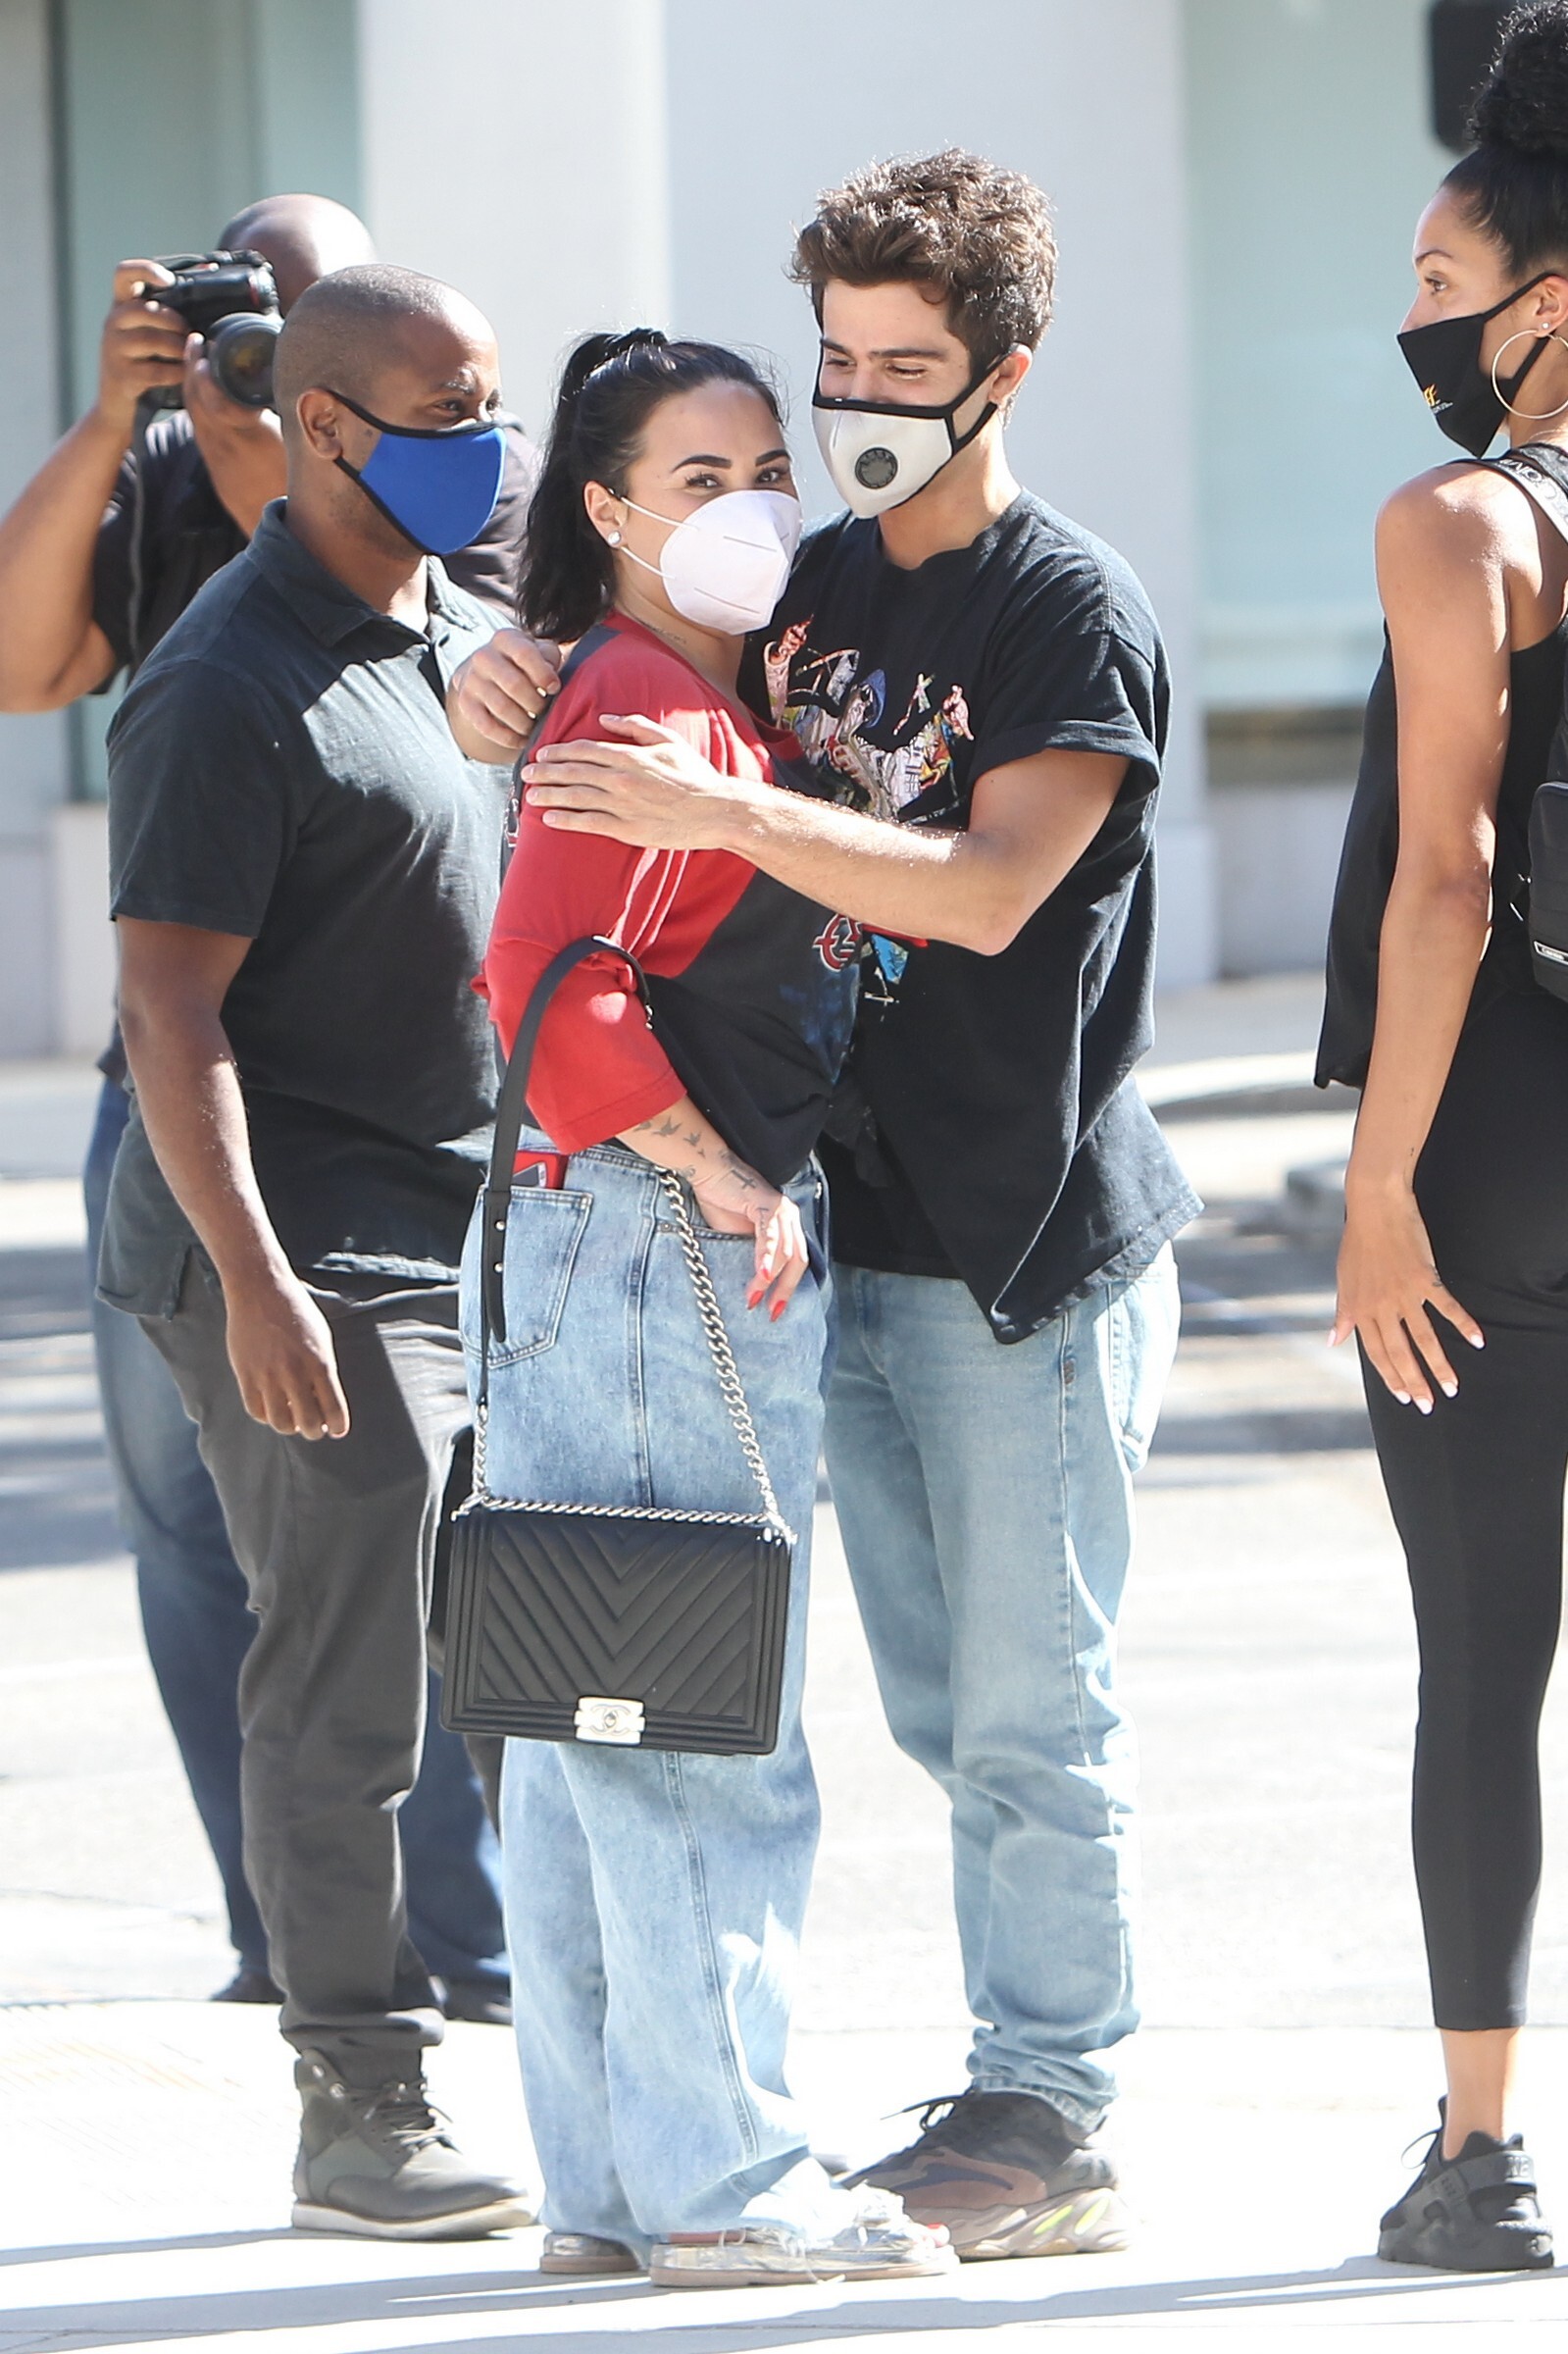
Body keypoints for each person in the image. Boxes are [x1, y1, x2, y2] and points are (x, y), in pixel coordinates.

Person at [449, 150, 1193, 2263]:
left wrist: (720, 806)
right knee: (873, 1704)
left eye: (903, 366)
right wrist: (514, 669)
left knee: (1028, 1718)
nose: (856, 404)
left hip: (1018, 1241)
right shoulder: (809, 579)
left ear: (1000, 375)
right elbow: (640, 674)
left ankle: (1049, 2109)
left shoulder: (1064, 607)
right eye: (835, 362)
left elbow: (986, 891)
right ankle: (732, 2139)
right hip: (818, 1229)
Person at [0, 191, 531, 2020]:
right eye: (445, 415)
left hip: (449, 1210)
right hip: (289, 1231)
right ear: (320, 415)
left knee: (483, 1640)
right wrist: (253, 1279)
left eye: (492, 407)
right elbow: (167, 1003)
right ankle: (357, 2072)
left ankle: (505, 1994)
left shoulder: (462, 625)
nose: (484, 446)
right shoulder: (223, 670)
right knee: (331, 1660)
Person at [466, 327, 951, 2290]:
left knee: (597, 1715)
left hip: (596, 1244)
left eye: (766, 468)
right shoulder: (643, 698)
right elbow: (541, 973)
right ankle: (729, 2179)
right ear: (605, 510)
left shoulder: (668, 689)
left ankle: (614, 2180)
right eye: (697, 477)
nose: (753, 504)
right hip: (653, 1248)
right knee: (692, 1721)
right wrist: (714, 1168)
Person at [1317, 1, 1568, 2276]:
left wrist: (1378, 1184)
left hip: (1492, 1153)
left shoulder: (1461, 517)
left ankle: (1477, 2154)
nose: (1410, 317)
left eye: (1433, 278)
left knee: (1480, 1660)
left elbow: (1442, 882)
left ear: (1540, 304)